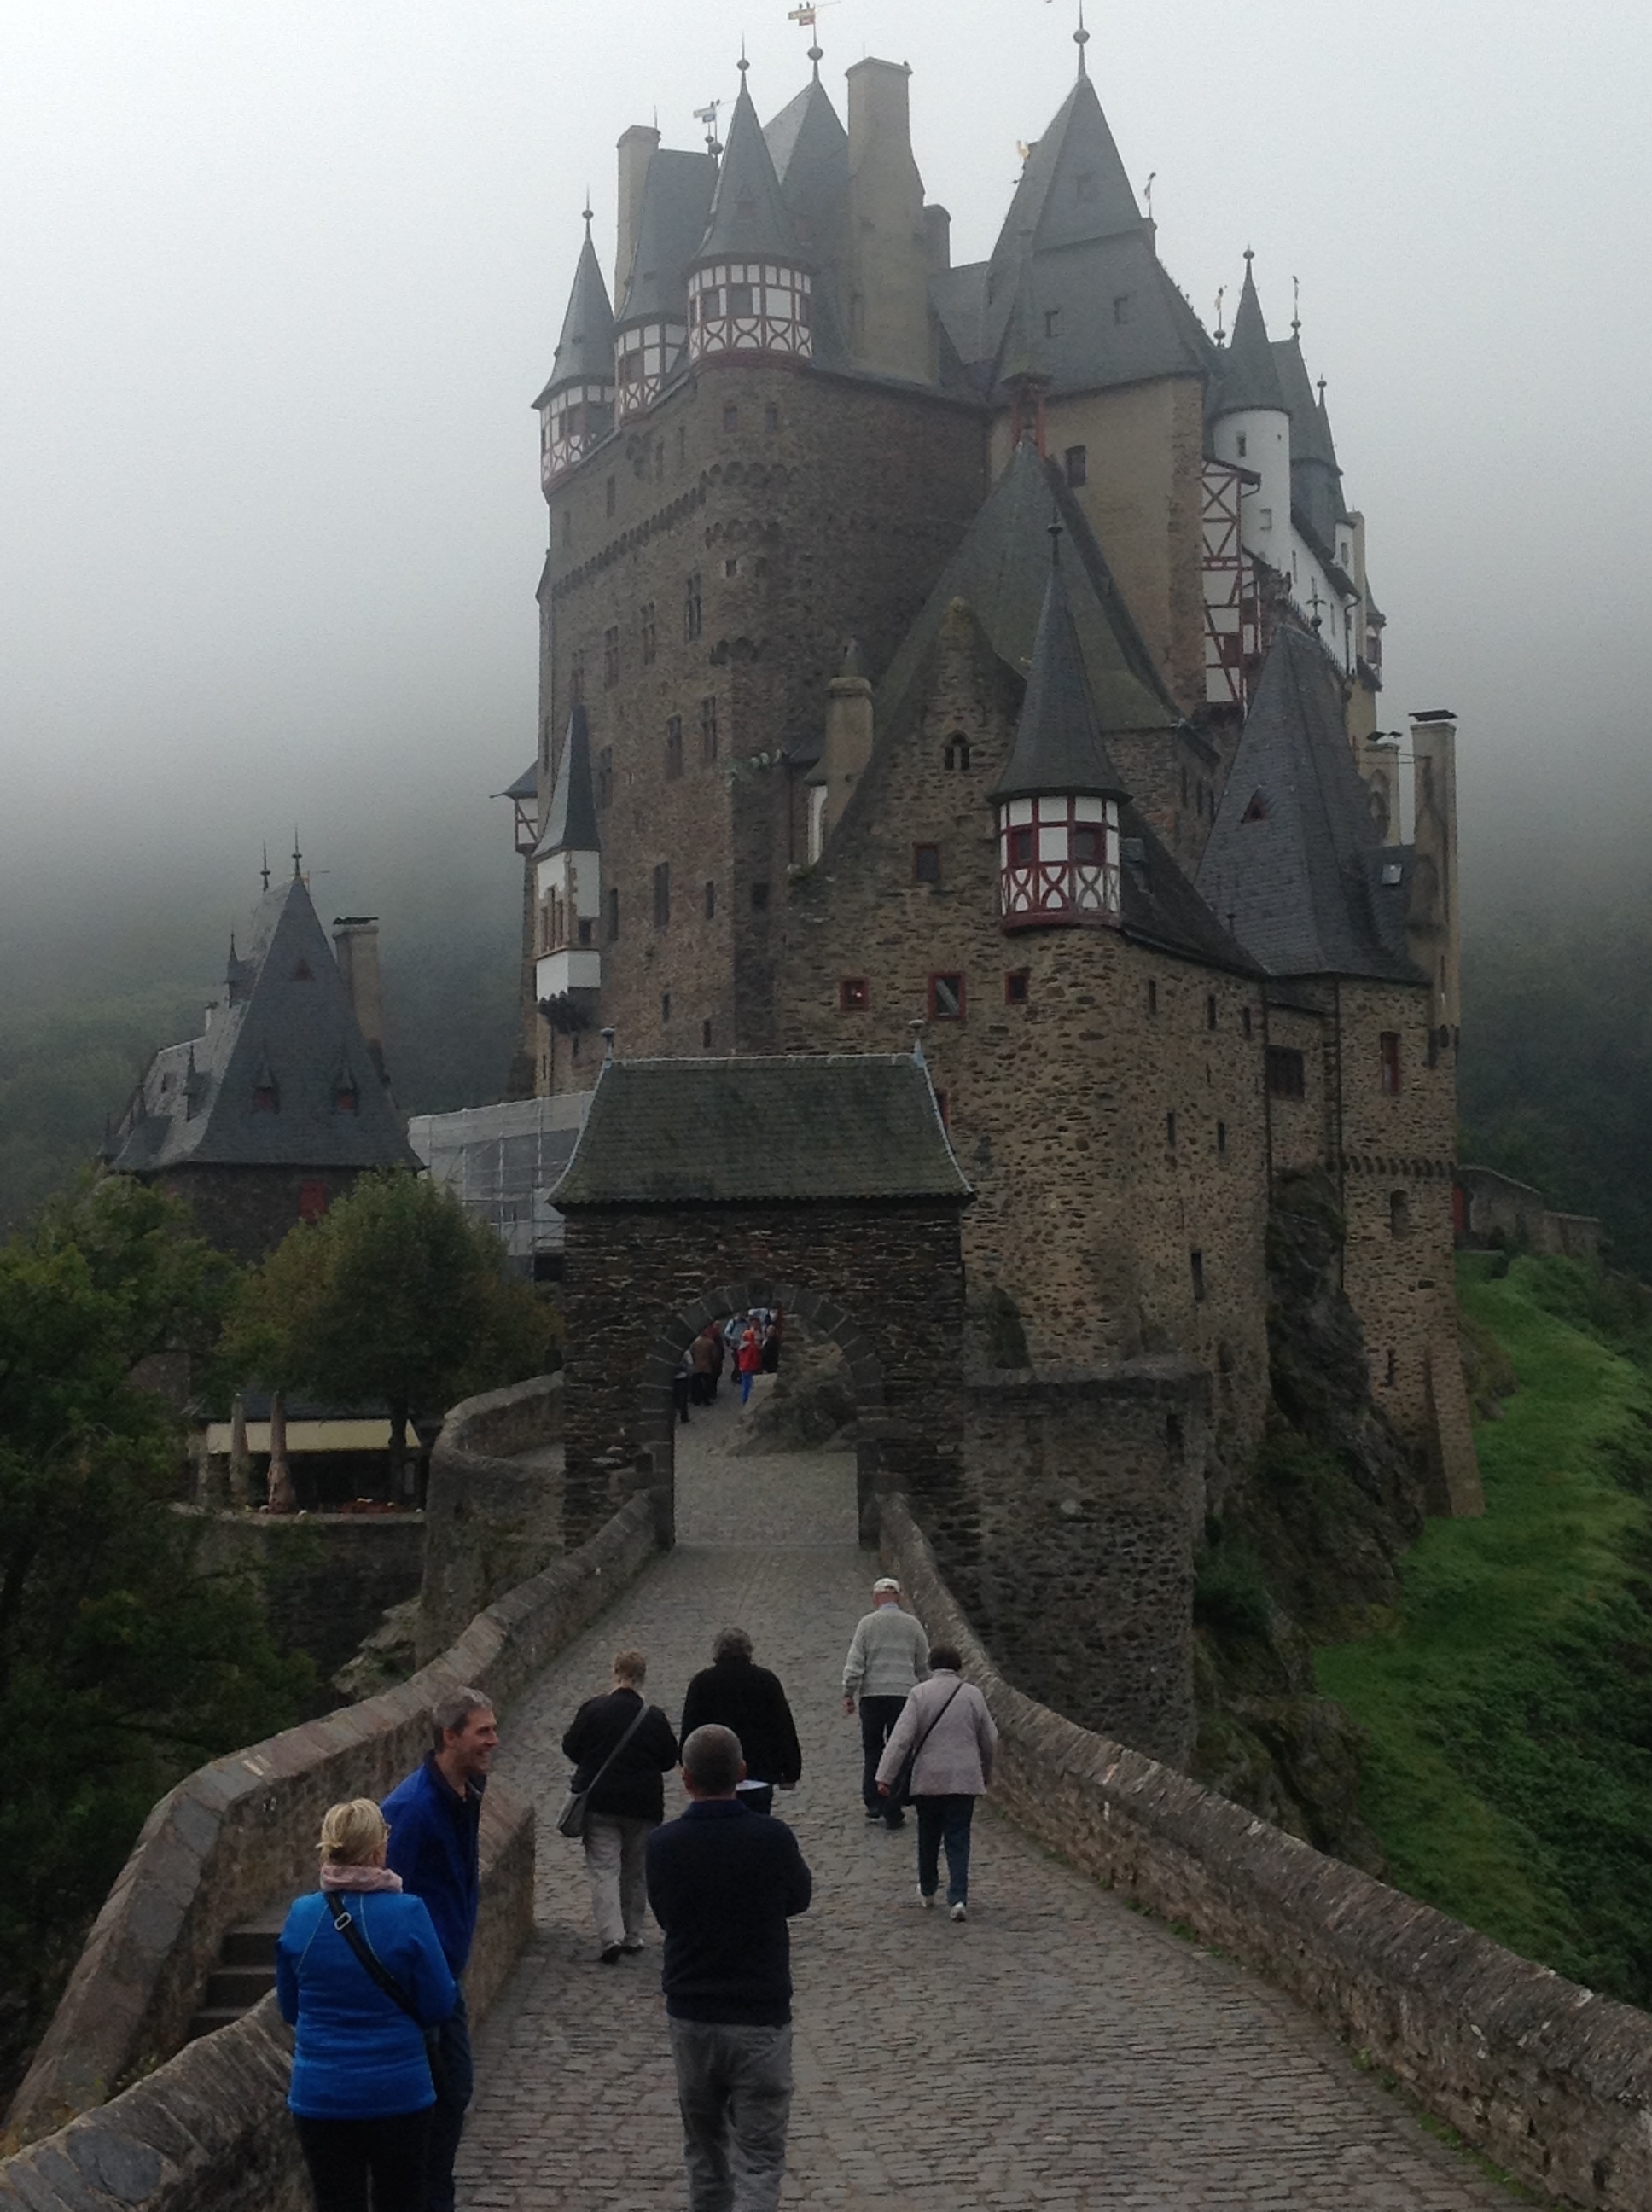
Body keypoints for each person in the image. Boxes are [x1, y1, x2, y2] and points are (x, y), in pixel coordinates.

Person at [646, 1724, 813, 2212]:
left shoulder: (664, 1845)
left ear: (685, 1778)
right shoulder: (772, 1838)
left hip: (693, 2015)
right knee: (759, 2159)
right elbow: (798, 1898)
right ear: (741, 1774)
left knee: (704, 2150)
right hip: (759, 2015)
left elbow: (665, 1913)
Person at [277, 1797, 457, 2212]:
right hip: (399, 2091)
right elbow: (439, 2003)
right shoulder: (408, 1912)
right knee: (402, 2199)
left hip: (321, 2094)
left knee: (336, 2202)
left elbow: (291, 2008)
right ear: (379, 1849)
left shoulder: (301, 1916)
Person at [381, 1688, 497, 2212]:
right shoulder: (411, 1809)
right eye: (483, 1731)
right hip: (417, 1989)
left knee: (451, 2099)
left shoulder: (465, 1794)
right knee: (434, 2106)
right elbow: (386, 1900)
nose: (494, 1740)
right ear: (450, 1737)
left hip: (443, 1978)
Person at [561, 1648, 680, 1963]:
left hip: (600, 1802)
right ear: (642, 1678)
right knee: (635, 1869)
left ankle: (610, 1936)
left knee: (604, 1869)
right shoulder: (652, 1717)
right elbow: (670, 1758)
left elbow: (571, 1748)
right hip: (643, 1805)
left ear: (614, 1673)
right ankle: (632, 1933)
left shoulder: (594, 1710)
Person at [875, 1643, 998, 1921]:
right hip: (964, 1778)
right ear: (959, 1666)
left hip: (928, 1778)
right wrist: (985, 1773)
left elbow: (901, 1739)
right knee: (958, 1837)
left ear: (931, 1666)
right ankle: (958, 1898)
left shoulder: (919, 1694)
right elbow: (990, 1738)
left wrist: (885, 1776)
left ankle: (928, 1888)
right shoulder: (972, 1695)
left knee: (928, 1835)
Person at [680, 1628, 802, 1817]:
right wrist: (791, 1771)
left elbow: (691, 1731)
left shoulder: (702, 1684)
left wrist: (688, 1766)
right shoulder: (766, 1681)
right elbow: (783, 1728)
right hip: (758, 1777)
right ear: (749, 1651)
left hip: (712, 1782)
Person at [841, 1576, 929, 1830]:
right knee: (899, 1748)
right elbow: (923, 1664)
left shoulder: (867, 1624)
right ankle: (894, 1800)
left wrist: (849, 1693)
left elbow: (855, 1662)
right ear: (898, 1597)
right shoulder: (912, 1625)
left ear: (876, 1597)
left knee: (873, 1748)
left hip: (872, 1695)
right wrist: (925, 1692)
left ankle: (874, 1801)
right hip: (903, 1694)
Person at [736, 1322, 763, 1406]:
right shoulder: (752, 1346)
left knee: (744, 1384)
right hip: (751, 1367)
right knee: (750, 1384)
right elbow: (755, 1358)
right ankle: (748, 1400)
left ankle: (744, 1399)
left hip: (743, 1367)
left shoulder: (741, 1346)